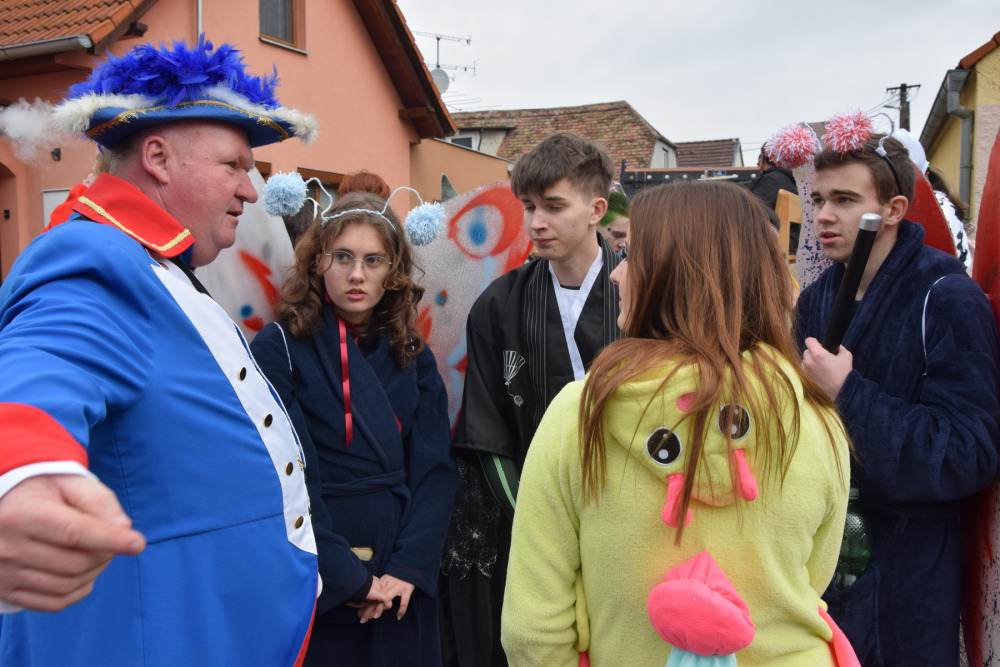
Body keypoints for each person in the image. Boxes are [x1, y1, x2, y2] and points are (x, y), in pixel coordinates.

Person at [0, 38, 321, 665]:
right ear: (158, 158)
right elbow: (40, 366)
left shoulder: (151, 259)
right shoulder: (95, 254)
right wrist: (26, 475)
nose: (251, 191)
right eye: (233, 165)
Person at [502, 180, 853, 665]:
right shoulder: (812, 413)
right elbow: (812, 577)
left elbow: (532, 630)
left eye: (631, 256)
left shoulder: (581, 413)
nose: (616, 274)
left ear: (675, 273)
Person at [796, 133, 1000, 665]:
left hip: (911, 574)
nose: (823, 216)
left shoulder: (946, 296)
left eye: (845, 200)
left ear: (893, 210)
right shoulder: (816, 300)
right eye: (819, 199)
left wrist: (848, 393)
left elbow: (967, 452)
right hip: (826, 561)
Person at [251, 191, 457, 666]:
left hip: (400, 578)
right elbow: (284, 477)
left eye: (373, 260)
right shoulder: (280, 347)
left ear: (394, 270)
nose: (357, 274)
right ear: (318, 260)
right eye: (342, 257)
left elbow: (435, 469)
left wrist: (409, 567)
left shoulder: (411, 350)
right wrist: (347, 577)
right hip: (322, 572)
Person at [439, 132, 623, 667]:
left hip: (631, 514)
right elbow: (488, 432)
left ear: (597, 210)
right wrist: (538, 522)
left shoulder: (641, 291)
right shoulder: (498, 305)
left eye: (554, 207)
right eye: (529, 207)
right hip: (533, 518)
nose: (537, 222)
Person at [750, 146, 800, 253]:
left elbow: (750, 212)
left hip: (774, 244)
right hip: (791, 242)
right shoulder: (789, 181)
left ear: (763, 158)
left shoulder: (771, 180)